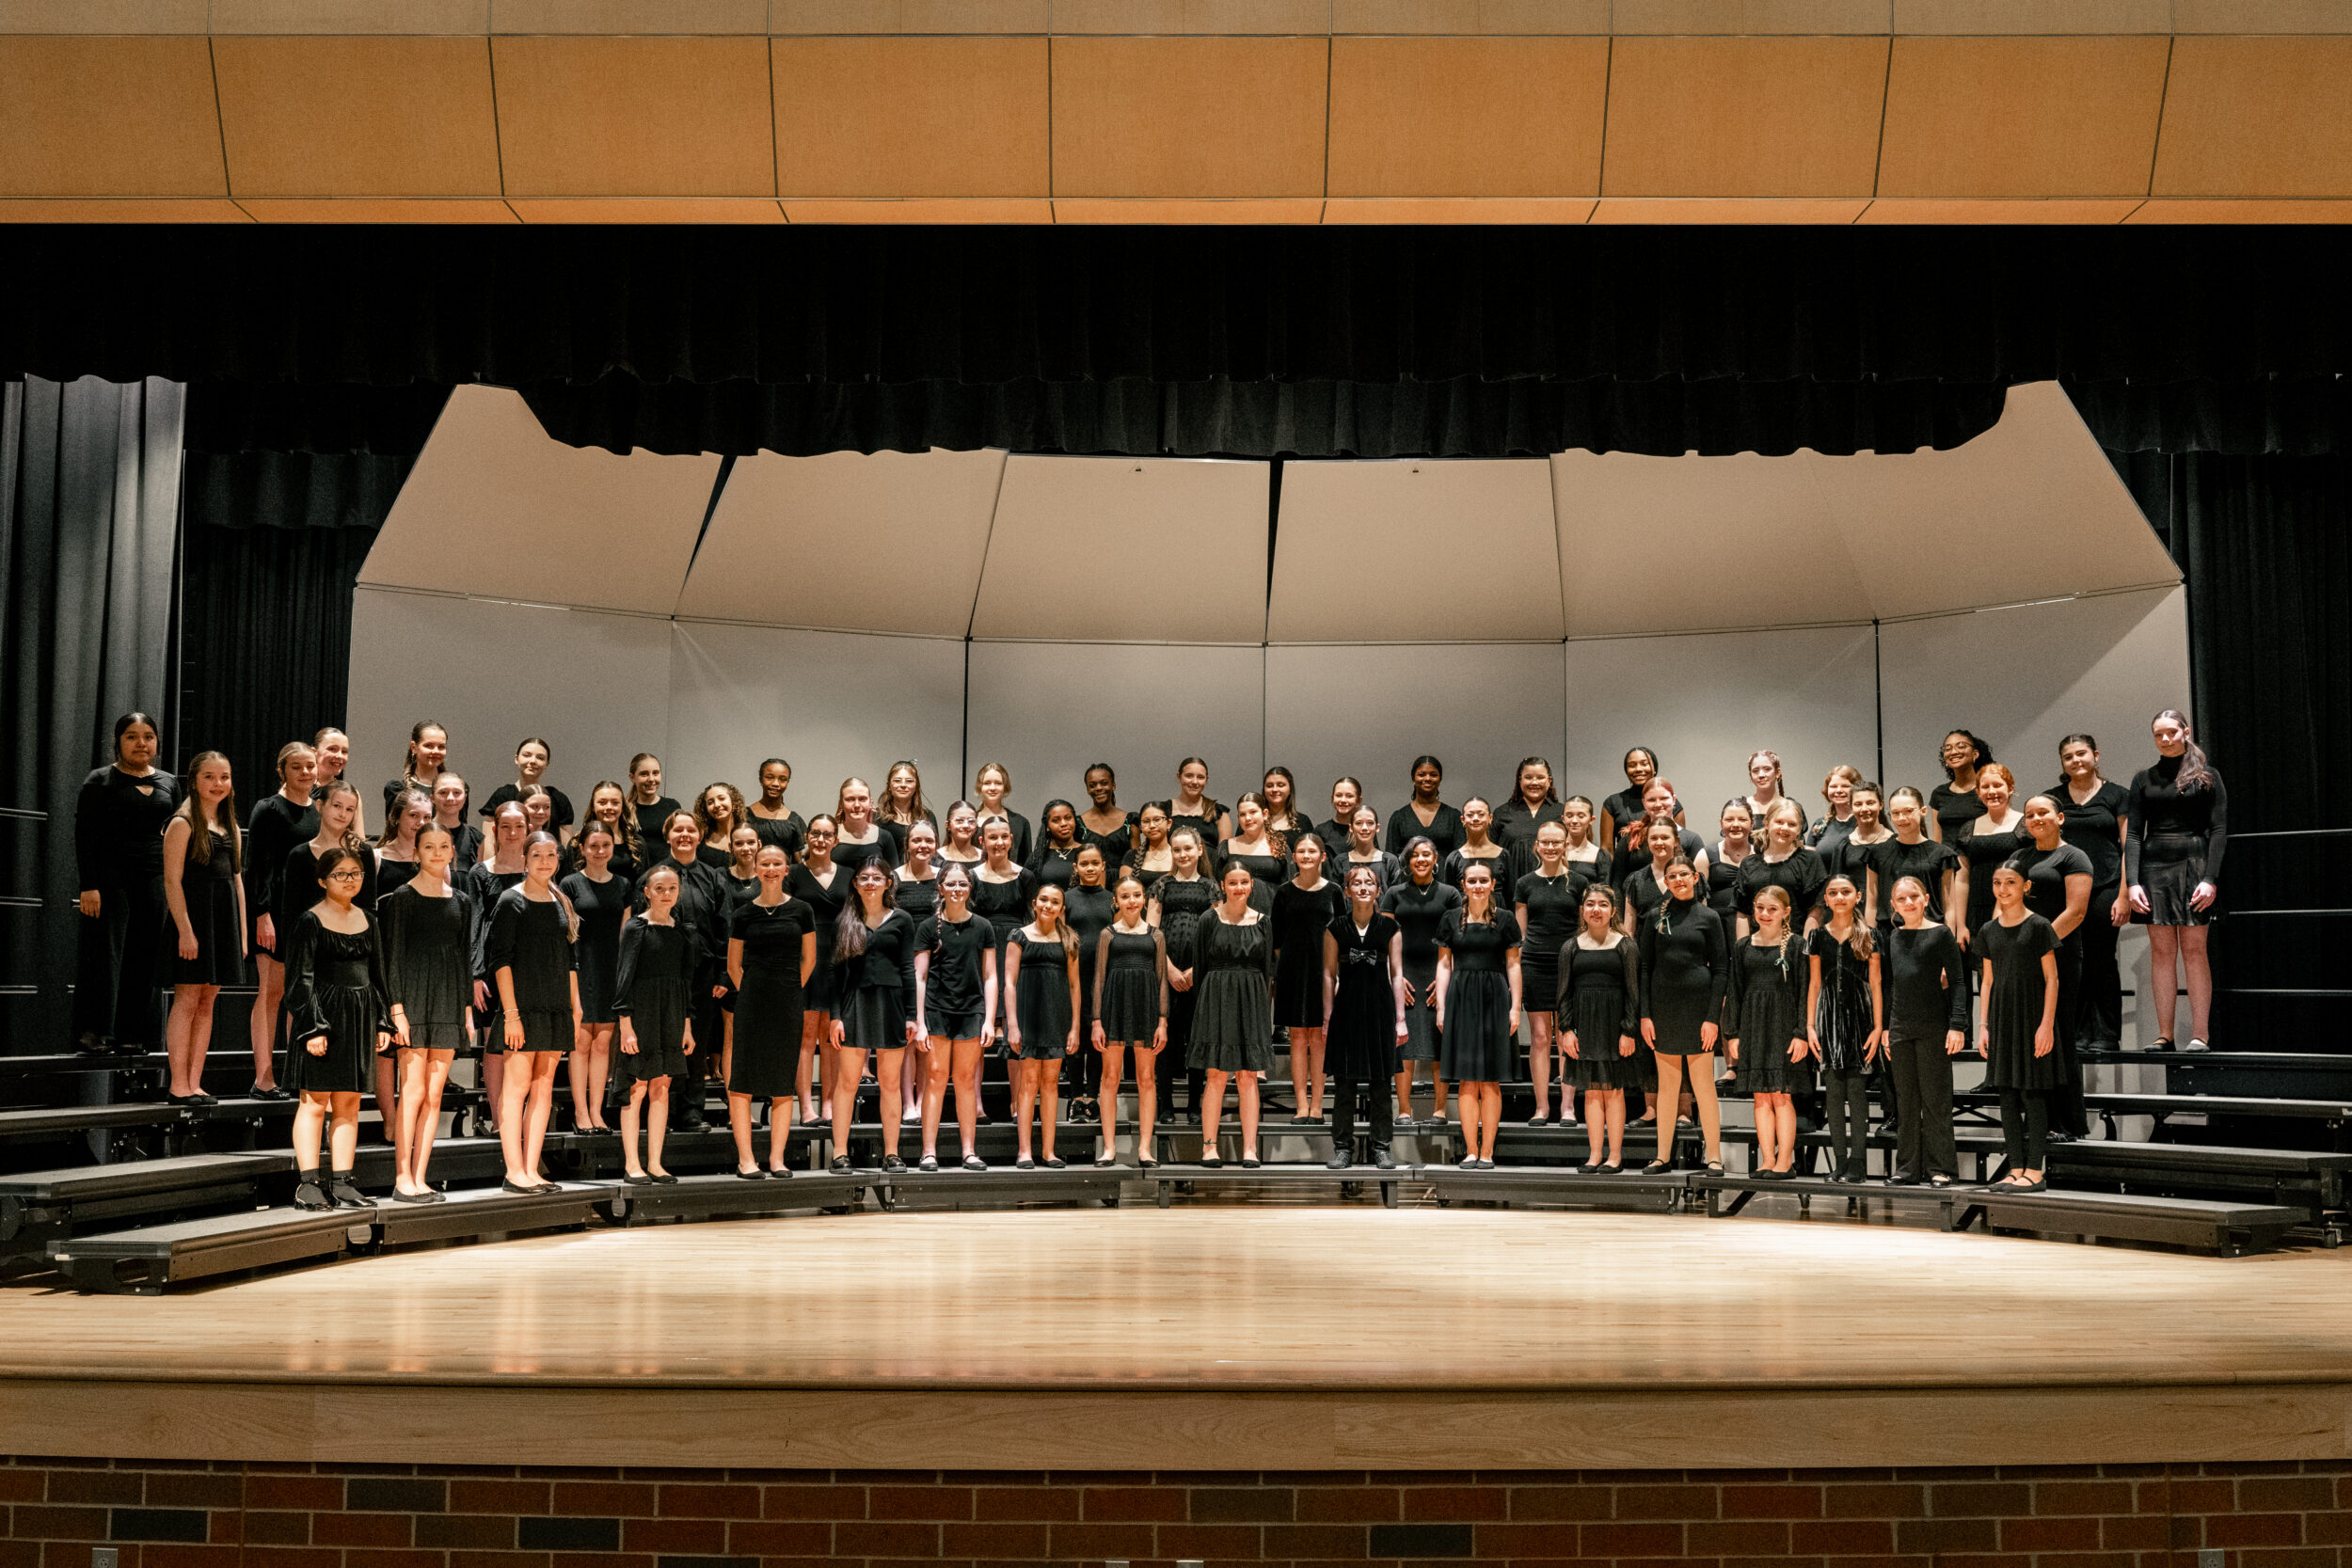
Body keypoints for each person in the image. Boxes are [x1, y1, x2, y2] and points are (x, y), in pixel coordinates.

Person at [282, 846, 392, 1212]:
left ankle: (343, 1183)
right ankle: (308, 1184)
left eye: (356, 873)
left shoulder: (369, 920)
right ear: (322, 881)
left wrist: (382, 1021)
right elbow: (300, 981)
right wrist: (313, 1028)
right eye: (341, 874)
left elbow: (378, 976)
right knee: (315, 1102)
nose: (350, 880)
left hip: (359, 1018)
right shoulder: (310, 921)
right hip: (323, 1019)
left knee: (349, 1102)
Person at [377, 821, 474, 1202]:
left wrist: (466, 1010)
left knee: (434, 1096)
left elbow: (464, 959)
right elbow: (393, 958)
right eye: (428, 846)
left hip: (448, 1000)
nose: (437, 853)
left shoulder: (461, 901)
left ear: (452, 852)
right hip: (413, 1000)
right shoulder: (403, 897)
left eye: (443, 846)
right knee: (413, 1091)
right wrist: (397, 1010)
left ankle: (420, 1177)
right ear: (416, 853)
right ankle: (403, 1177)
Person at [72, 711, 178, 1055]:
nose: (141, 743)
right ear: (118, 742)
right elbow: (85, 835)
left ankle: (133, 1034)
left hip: (154, 878)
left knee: (144, 955)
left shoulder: (168, 782)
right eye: (132, 736)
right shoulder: (100, 780)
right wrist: (89, 885)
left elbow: (177, 832)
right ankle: (95, 1031)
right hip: (110, 879)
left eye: (148, 736)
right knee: (106, 955)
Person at [280, 782, 382, 1121]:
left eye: (350, 809)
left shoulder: (362, 853)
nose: (343, 814)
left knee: (347, 1092)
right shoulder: (300, 855)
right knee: (314, 1079)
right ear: (320, 806)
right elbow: (291, 913)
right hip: (313, 960)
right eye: (337, 806)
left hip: (349, 965)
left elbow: (369, 910)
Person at [2128, 708, 2227, 1053]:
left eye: (2171, 732)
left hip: (2194, 864)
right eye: (2159, 734)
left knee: (2195, 951)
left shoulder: (2207, 775)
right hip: (2154, 868)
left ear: (2185, 732)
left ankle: (2200, 1035)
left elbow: (2219, 830)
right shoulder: (2143, 779)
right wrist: (2132, 882)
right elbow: (2134, 835)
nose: (2165, 739)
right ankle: (2164, 1036)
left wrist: (2210, 878)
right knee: (2161, 952)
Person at [487, 832, 580, 1193]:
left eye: (551, 855)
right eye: (537, 855)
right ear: (525, 859)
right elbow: (501, 961)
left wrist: (574, 1007)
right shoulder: (511, 901)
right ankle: (514, 1171)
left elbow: (570, 961)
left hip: (555, 1006)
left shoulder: (561, 900)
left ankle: (532, 1168)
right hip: (522, 1008)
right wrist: (511, 1015)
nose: (544, 861)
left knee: (543, 1089)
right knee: (516, 1088)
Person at [161, 752, 245, 1103]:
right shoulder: (182, 823)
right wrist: (185, 930)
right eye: (209, 776)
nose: (218, 783)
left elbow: (237, 881)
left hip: (222, 923)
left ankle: (195, 1082)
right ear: (194, 780)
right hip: (194, 921)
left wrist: (241, 934)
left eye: (224, 777)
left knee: (208, 1000)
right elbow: (171, 881)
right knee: (188, 999)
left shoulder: (231, 826)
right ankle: (178, 1084)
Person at [729, 845, 817, 1179]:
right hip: (752, 1002)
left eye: (776, 863)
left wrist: (789, 989)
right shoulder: (743, 914)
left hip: (788, 1001)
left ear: (786, 869)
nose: (770, 869)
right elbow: (734, 965)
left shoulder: (802, 910)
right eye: (764, 863)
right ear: (755, 869)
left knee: (782, 1080)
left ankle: (777, 1159)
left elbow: (810, 960)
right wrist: (754, 993)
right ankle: (746, 1160)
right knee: (742, 1080)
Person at [1637, 856, 1727, 1174]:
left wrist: (1712, 1018)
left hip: (1699, 1010)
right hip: (1663, 1009)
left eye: (1683, 875)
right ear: (1666, 881)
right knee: (1667, 1087)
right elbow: (1644, 968)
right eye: (1672, 876)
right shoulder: (1654, 917)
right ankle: (1662, 1156)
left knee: (1703, 1087)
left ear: (1695, 877)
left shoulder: (1709, 917)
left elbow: (1721, 969)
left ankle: (1714, 1157)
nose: (1678, 880)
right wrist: (1645, 1015)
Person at [1978, 859, 2061, 1191]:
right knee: (2007, 1095)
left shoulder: (2039, 925)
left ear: (2026, 886)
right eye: (1997, 882)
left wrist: (2046, 1025)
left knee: (2032, 1093)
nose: (2003, 889)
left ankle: (2035, 1171)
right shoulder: (1988, 930)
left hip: (2032, 1017)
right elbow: (1987, 981)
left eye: (2010, 882)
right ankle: (2015, 1168)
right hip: (2002, 1018)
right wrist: (1983, 1025)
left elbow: (2052, 979)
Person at [832, 856, 918, 1172]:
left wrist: (911, 1015)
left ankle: (891, 1153)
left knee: (890, 1083)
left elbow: (907, 968)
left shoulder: (902, 920)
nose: (870, 883)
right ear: (855, 884)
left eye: (876, 878)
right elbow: (835, 974)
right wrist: (835, 1016)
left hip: (891, 1004)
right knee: (847, 1082)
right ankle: (839, 1153)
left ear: (888, 883)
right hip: (854, 1003)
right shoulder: (845, 920)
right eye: (864, 878)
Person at [1187, 863, 1277, 1167]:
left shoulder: (1263, 921)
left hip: (1251, 999)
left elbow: (1266, 972)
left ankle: (1249, 1149)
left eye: (1244, 882)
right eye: (1233, 882)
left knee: (1248, 1075)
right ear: (1223, 886)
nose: (1239, 888)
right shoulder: (1208, 919)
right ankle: (1209, 1147)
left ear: (1252, 885)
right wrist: (1205, 1007)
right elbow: (1200, 968)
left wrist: (1261, 1010)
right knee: (1215, 1074)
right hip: (1215, 996)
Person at [2016, 794, 2095, 1138]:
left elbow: (2076, 912)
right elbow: (2006, 902)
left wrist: (2038, 946)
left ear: (2060, 818)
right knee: (2030, 1037)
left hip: (2059, 955)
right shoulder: (2019, 858)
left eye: (2042, 813)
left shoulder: (2074, 856)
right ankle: (2038, 1120)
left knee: (2058, 1035)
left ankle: (2066, 1123)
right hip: (2023, 957)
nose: (2035, 819)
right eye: (2029, 814)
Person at [1883, 875, 1969, 1186]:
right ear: (1893, 905)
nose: (1908, 903)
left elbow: (1957, 982)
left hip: (1934, 1026)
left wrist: (1957, 1025)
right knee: (1906, 1101)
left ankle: (1940, 1168)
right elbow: (1892, 985)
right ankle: (1907, 1169)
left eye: (1914, 897)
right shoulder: (1894, 937)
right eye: (1901, 899)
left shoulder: (1941, 934)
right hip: (1900, 1027)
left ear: (1926, 899)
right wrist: (1887, 1028)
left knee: (1935, 1100)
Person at [245, 741, 319, 1101]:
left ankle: (295, 1074)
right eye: (296, 767)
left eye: (310, 766)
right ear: (282, 770)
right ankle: (264, 1078)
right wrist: (262, 915)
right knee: (271, 992)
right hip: (274, 911)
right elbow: (256, 865)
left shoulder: (319, 811)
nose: (305, 773)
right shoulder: (269, 809)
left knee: (301, 995)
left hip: (307, 912)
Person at [1436, 862, 1521, 1170]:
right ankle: (1471, 1150)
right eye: (1472, 881)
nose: (1478, 886)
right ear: (1463, 884)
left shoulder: (1506, 919)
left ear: (1493, 884)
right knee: (1467, 1080)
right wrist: (1442, 1007)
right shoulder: (1450, 919)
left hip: (1495, 997)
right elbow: (1444, 964)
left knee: (1490, 1081)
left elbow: (1513, 964)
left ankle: (1487, 1151)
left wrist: (1515, 1006)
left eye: (1484, 880)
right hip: (1461, 998)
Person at [613, 863, 694, 1186]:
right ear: (647, 892)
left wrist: (687, 1026)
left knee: (662, 1087)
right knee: (637, 1087)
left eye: (672, 888)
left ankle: (656, 1163)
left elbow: (686, 981)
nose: (666, 893)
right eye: (659, 888)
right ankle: (632, 1163)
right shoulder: (636, 928)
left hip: (671, 1012)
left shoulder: (683, 931)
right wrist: (625, 1023)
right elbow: (624, 977)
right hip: (641, 1012)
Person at [1322, 864, 1406, 1171]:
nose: (1363, 887)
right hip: (1346, 1010)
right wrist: (1327, 1017)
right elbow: (1328, 974)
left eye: (1369, 882)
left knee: (1381, 1085)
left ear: (1378, 890)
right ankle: (1342, 1148)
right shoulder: (1335, 928)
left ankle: (1381, 1148)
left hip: (1381, 1010)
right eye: (1356, 883)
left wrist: (1400, 1019)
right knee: (1344, 1085)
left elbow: (1397, 974)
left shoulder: (1390, 928)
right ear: (1347, 891)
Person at [914, 863, 997, 1172]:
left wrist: (989, 1019)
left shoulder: (983, 927)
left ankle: (969, 1152)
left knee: (965, 1081)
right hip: (937, 1010)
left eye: (963, 884)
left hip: (971, 1011)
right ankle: (928, 1152)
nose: (957, 889)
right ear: (941, 888)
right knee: (935, 1079)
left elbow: (990, 976)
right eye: (951, 884)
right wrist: (920, 1022)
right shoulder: (927, 928)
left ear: (970, 888)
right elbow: (919, 977)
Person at [2053, 734, 2132, 1054]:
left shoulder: (2118, 795)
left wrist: (2124, 894)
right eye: (2068, 756)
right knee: (2071, 961)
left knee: (2102, 960)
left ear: (2095, 755)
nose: (2076, 760)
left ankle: (2106, 1034)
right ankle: (2076, 1034)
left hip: (2106, 888)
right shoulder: (2053, 799)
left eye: (2081, 753)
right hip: (2065, 893)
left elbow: (2129, 847)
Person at [1726, 885, 1813, 1180]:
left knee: (1781, 1095)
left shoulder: (1797, 945)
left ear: (1786, 912)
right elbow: (1735, 992)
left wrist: (1801, 1033)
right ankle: (1767, 1159)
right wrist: (1733, 1034)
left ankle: (1785, 1160)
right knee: (1761, 1097)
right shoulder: (1743, 946)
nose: (1765, 914)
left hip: (1784, 1028)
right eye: (1760, 908)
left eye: (1772, 909)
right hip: (1753, 1027)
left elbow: (1805, 992)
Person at [1380, 838, 1461, 1131]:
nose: (1421, 859)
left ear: (1435, 858)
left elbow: (1456, 937)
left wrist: (1445, 980)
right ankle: (1404, 1109)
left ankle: (1440, 1109)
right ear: (1408, 860)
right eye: (1415, 855)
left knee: (1440, 1042)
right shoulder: (1394, 894)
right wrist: (1395, 977)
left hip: (1439, 971)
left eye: (1426, 854)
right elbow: (1385, 937)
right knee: (1404, 1044)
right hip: (1404, 973)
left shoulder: (1451, 894)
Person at [1807, 875, 1883, 1183]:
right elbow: (1814, 983)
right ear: (1826, 899)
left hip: (1860, 1018)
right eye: (1833, 893)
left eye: (1845, 892)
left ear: (1857, 896)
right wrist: (1810, 1026)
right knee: (1833, 1094)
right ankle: (1839, 1161)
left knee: (1857, 1092)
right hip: (1827, 1019)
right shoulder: (1817, 936)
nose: (1839, 897)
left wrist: (1878, 1027)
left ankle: (1858, 1163)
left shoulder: (1871, 935)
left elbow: (1876, 983)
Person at [1559, 885, 1640, 1174]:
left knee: (1613, 1091)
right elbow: (1564, 993)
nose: (1596, 909)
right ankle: (1594, 1154)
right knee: (1592, 1092)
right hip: (1584, 1026)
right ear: (1583, 910)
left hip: (1614, 1026)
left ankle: (1614, 1156)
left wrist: (1628, 1030)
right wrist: (1567, 1030)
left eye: (1603, 904)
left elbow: (1633, 992)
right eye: (1591, 904)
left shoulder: (1625, 945)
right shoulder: (1571, 947)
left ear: (1613, 911)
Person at [558, 820, 629, 1136]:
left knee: (603, 1044)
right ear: (582, 848)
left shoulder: (624, 885)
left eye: (606, 845)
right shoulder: (570, 883)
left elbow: (627, 934)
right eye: (594, 846)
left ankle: (597, 1112)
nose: (600, 851)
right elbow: (566, 932)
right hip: (580, 967)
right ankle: (580, 1112)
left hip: (611, 969)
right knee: (581, 1041)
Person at [1002, 882, 1080, 1169]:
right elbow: (1009, 983)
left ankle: (1049, 1151)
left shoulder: (1069, 939)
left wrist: (1074, 1027)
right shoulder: (1018, 936)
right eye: (1044, 900)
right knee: (1028, 1084)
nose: (1048, 905)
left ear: (1062, 908)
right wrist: (1012, 1025)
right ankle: (1024, 1151)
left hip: (1056, 1017)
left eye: (1055, 902)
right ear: (1034, 903)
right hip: (1027, 1017)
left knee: (1051, 1084)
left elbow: (1075, 986)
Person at [1093, 872, 1168, 1167]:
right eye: (1125, 896)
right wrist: (1096, 1020)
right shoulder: (1107, 934)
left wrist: (1162, 1021)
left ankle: (1145, 1149)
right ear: (1116, 901)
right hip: (1114, 1007)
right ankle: (1109, 1148)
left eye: (1136, 895)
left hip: (1146, 1008)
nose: (1131, 901)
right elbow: (1099, 978)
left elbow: (1162, 980)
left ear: (1144, 899)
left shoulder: (1156, 935)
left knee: (1146, 1079)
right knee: (1109, 1077)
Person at [467, 799, 531, 1132]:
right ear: (495, 829)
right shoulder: (480, 872)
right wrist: (476, 974)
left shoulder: (538, 868)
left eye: (519, 826)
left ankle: (520, 1119)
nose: (512, 832)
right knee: (495, 1044)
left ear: (528, 829)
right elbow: (475, 923)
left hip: (528, 966)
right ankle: (497, 1119)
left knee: (525, 1046)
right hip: (492, 968)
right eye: (505, 826)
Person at [1272, 832, 1342, 1125]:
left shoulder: (1334, 891)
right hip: (1292, 969)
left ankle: (1317, 1105)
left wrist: (1336, 975)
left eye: (1312, 851)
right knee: (1298, 1037)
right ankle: (1301, 1105)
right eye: (1301, 851)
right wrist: (1289, 964)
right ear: (1294, 857)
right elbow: (1277, 939)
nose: (1307, 856)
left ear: (1322, 856)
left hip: (1324, 971)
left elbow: (1341, 934)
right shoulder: (1284, 892)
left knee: (1319, 1035)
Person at [1515, 821, 1582, 1127]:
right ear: (1537, 846)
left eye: (1557, 842)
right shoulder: (1525, 883)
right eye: (1545, 842)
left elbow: (1583, 929)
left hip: (1570, 965)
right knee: (1540, 1038)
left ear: (1566, 844)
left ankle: (1567, 1106)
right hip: (1535, 964)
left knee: (1566, 1037)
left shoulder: (1578, 882)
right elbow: (1520, 934)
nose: (1551, 847)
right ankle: (1541, 1107)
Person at [1152, 826, 1218, 1124]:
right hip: (1166, 972)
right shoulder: (1161, 885)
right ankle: (1165, 1105)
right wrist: (1168, 969)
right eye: (1176, 849)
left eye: (1188, 848)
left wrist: (1194, 970)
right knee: (1166, 1040)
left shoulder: (1210, 887)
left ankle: (1194, 1106)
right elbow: (1152, 932)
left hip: (1198, 975)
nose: (1182, 854)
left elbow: (1216, 931)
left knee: (1197, 1040)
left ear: (1199, 850)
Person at [788, 815, 850, 1123]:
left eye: (827, 835)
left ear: (836, 840)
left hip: (838, 959)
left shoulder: (849, 875)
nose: (821, 840)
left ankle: (828, 1104)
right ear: (806, 837)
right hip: (804, 958)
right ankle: (805, 1107)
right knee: (805, 1036)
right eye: (815, 833)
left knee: (832, 1037)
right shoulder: (793, 874)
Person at [970, 818, 1037, 1062]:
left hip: (1015, 944)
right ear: (982, 842)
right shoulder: (972, 876)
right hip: (984, 943)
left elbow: (1032, 918)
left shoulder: (1025, 876)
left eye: (1004, 837)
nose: (999, 842)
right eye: (992, 837)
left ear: (1011, 840)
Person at [1061, 844, 1119, 1131]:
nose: (1090, 868)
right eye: (1084, 864)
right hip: (1074, 977)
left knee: (1097, 1039)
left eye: (1095, 863)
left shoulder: (1111, 900)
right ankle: (1075, 1098)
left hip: (1103, 977)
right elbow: (1061, 935)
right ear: (1076, 868)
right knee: (1075, 1037)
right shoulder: (1067, 898)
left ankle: (1092, 1097)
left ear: (1103, 865)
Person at [1864, 786, 1960, 943]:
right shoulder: (1877, 854)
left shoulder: (1942, 855)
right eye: (1895, 813)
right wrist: (1871, 943)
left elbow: (1949, 907)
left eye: (1908, 811)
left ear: (1923, 811)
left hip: (1931, 936)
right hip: (1888, 936)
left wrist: (1948, 942)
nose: (1902, 818)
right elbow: (1871, 905)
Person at [1951, 763, 2026, 945]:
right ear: (1978, 792)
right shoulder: (1968, 829)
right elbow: (1961, 879)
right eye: (1985, 787)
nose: (1991, 791)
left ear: (2010, 788)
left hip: (2015, 907)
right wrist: (1961, 925)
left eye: (1997, 785)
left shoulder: (2026, 825)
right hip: (1976, 911)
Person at [1737, 800, 1829, 935]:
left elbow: (1816, 911)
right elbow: (1742, 913)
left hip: (1795, 943)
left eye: (1792, 824)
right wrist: (1742, 946)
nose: (1785, 828)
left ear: (1799, 829)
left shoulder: (1810, 860)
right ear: (1767, 823)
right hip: (1756, 944)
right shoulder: (1748, 864)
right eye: (1779, 822)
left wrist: (1805, 946)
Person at [479, 737, 573, 843]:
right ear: (516, 759)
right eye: (527, 755)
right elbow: (488, 843)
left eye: (540, 758)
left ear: (547, 763)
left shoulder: (558, 799)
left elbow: (567, 846)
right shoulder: (502, 796)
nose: (532, 761)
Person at [1598, 747, 1667, 888]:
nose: (1638, 769)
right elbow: (1607, 851)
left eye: (1644, 763)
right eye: (1632, 765)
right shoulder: (1613, 802)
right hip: (1624, 880)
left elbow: (1678, 844)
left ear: (1654, 768)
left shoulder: (1668, 804)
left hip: (1663, 880)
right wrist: (1606, 887)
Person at [1215, 792, 1287, 914]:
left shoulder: (1279, 846)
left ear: (1265, 814)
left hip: (1273, 916)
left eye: (1253, 812)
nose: (1248, 818)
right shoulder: (1226, 847)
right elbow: (1217, 888)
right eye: (1242, 814)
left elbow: (1289, 887)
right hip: (1233, 917)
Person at [1492, 756, 1564, 874]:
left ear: (1549, 781)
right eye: (1528, 777)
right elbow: (1492, 855)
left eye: (1540, 777)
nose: (1534, 782)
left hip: (1553, 880)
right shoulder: (1502, 812)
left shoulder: (1561, 812)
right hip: (1510, 882)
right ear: (1520, 780)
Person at [1384, 755, 1464, 860]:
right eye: (1421, 775)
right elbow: (1391, 860)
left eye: (1433, 775)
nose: (1427, 778)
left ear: (1440, 779)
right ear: (1413, 779)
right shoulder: (1399, 817)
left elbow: (1460, 860)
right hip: (1408, 871)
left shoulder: (1453, 817)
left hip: (1445, 871)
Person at [1441, 796, 1515, 908]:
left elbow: (1510, 897)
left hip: (1498, 914)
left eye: (1481, 814)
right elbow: (1449, 900)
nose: (1475, 818)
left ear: (1490, 818)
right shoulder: (1454, 858)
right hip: (1464, 915)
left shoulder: (1503, 855)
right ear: (1463, 820)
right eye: (1470, 815)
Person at [1835, 783, 1894, 920]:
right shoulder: (1844, 845)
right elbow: (1837, 886)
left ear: (1881, 804)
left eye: (1870, 803)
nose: (1864, 809)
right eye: (1858, 804)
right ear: (1851, 808)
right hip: (1854, 919)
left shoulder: (1894, 842)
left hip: (1891, 918)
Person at [1930, 729, 1994, 845]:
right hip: (1947, 856)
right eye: (1948, 749)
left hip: (1981, 854)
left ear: (1975, 754)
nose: (1954, 752)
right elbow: (1937, 840)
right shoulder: (1939, 793)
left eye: (1961, 746)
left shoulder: (1988, 790)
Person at [1152, 756, 1231, 852]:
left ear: (1206, 780)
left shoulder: (1219, 813)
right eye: (1189, 776)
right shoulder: (1162, 810)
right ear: (1179, 777)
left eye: (1200, 777)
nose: (1195, 782)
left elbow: (1224, 854)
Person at [381, 720, 448, 820]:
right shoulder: (398, 790)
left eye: (441, 747)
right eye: (429, 745)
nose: (436, 751)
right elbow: (393, 828)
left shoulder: (455, 792)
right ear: (414, 747)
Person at [1707, 800, 1755, 936]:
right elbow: (1699, 901)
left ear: (1752, 823)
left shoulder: (1762, 855)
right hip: (1717, 929)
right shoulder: (1706, 855)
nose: (1736, 825)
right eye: (1729, 819)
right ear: (1721, 822)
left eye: (1742, 819)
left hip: (1755, 927)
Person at [972, 762, 1033, 866]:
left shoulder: (1020, 823)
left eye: (998, 783)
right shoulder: (970, 822)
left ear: (1005, 787)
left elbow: (1026, 864)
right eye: (987, 783)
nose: (992, 788)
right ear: (979, 787)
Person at [375, 789, 431, 900]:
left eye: (426, 817)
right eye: (414, 815)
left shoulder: (435, 859)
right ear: (396, 817)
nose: (421, 822)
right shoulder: (376, 858)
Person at [1336, 804, 1401, 896]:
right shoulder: (1340, 861)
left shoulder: (1390, 861)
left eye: (1370, 823)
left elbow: (1397, 898)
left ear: (1377, 828)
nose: (1364, 828)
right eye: (1359, 823)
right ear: (1351, 828)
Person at [832, 777, 895, 871]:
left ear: (870, 802)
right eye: (850, 799)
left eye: (862, 799)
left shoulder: (885, 837)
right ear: (841, 804)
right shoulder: (830, 835)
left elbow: (893, 876)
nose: (857, 805)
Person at [1740, 750, 1806, 838]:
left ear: (1778, 773)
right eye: (1755, 771)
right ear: (1751, 776)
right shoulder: (1741, 807)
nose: (1761, 775)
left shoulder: (1792, 807)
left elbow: (1798, 842)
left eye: (1767, 769)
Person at [1078, 763, 1135, 866]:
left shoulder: (1131, 821)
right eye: (1092, 785)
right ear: (1087, 790)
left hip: (1124, 876)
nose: (1098, 788)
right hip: (1090, 876)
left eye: (1104, 783)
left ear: (1113, 786)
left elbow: (1137, 862)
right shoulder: (1078, 824)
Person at [877, 760, 935, 860]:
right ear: (888, 785)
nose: (903, 785)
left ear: (916, 786)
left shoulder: (927, 817)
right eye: (897, 780)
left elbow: (933, 855)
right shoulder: (877, 816)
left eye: (909, 781)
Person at [310, 727, 363, 837]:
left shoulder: (350, 794)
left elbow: (358, 838)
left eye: (344, 752)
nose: (339, 756)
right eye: (332, 749)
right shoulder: (298, 788)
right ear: (314, 752)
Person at [747, 757, 804, 857]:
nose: (775, 784)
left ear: (788, 782)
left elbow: (797, 860)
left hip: (784, 867)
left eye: (782, 779)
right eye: (769, 777)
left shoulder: (794, 820)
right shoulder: (744, 815)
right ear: (760, 779)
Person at [1806, 764, 1863, 863]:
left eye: (1845, 786)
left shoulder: (1867, 821)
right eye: (1833, 786)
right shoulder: (1820, 824)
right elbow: (1809, 863)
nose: (1839, 790)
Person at [626, 753, 683, 851]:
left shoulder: (672, 806)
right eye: (644, 774)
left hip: (667, 862)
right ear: (632, 778)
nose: (651, 779)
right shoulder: (625, 810)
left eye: (655, 773)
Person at [427, 771, 483, 868]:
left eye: (457, 793)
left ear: (464, 798)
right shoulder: (420, 834)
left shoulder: (475, 838)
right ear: (432, 798)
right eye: (443, 792)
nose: (450, 798)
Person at [1028, 799, 1085, 894]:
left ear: (1075, 821)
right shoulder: (1037, 857)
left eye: (1068, 818)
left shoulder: (1087, 852)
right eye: (1056, 820)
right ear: (1047, 826)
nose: (1063, 824)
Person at [1314, 776, 1366, 863]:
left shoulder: (1365, 830)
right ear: (1332, 798)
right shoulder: (1321, 831)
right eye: (1338, 795)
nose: (1343, 800)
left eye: (1349, 796)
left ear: (1359, 801)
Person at [1260, 766, 1309, 840]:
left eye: (1280, 785)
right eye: (1269, 786)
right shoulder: (1254, 820)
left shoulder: (1303, 822)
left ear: (1290, 789)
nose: (1274, 789)